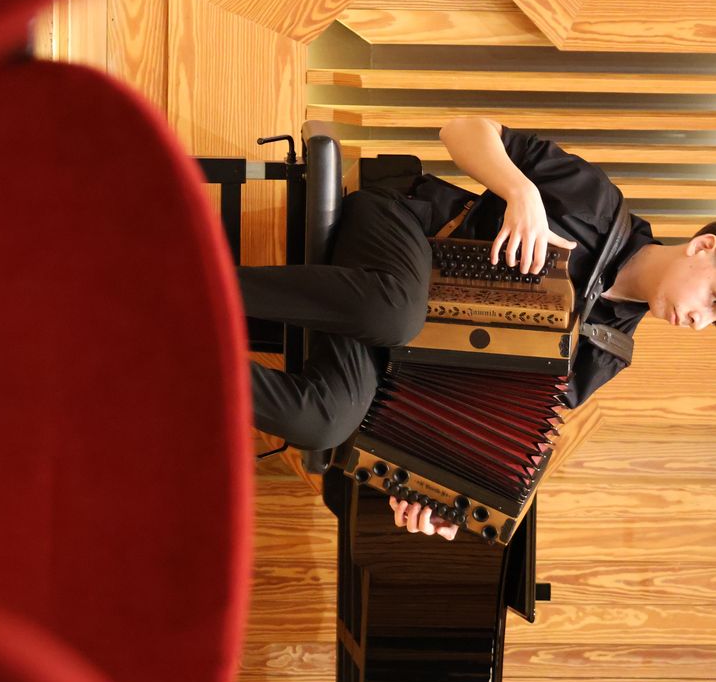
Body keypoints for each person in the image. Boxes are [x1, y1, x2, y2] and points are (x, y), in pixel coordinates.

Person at [238, 116, 716, 539]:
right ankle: (193, 292)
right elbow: (461, 129)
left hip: (398, 351)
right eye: (713, 300)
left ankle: (176, 356)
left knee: (323, 423)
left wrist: (439, 489)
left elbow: (489, 420)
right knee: (396, 314)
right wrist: (520, 191)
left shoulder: (608, 351)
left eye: (713, 321)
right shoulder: (596, 204)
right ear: (703, 248)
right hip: (405, 226)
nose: (700, 322)